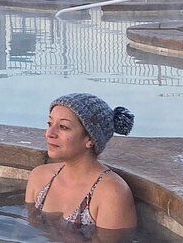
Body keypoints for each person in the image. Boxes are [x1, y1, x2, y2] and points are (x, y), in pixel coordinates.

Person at [25, 93, 137, 240]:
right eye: (49, 124)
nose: (49, 134)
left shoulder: (111, 193)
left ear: (90, 138)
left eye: (63, 127)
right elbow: (24, 234)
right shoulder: (39, 177)